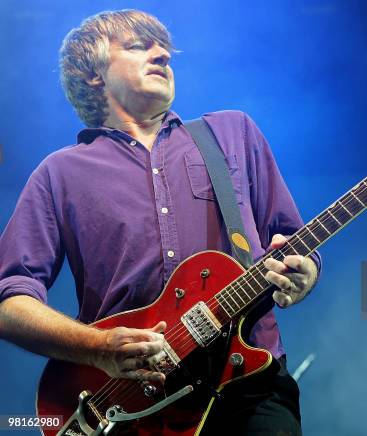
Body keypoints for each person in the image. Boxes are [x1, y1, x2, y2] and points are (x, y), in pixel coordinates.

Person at [0, 9, 320, 435]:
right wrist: (98, 348)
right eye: (139, 46)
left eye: (164, 48)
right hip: (128, 404)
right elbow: (9, 304)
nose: (163, 55)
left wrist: (306, 271)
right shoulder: (59, 173)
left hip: (246, 384)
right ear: (94, 75)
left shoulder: (231, 133)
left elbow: (296, 242)